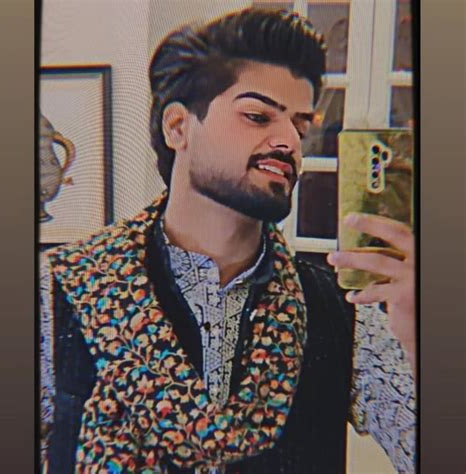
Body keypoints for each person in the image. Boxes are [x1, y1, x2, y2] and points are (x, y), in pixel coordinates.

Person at [40, 8, 416, 474]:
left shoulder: (343, 313)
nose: (289, 142)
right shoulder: (62, 292)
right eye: (258, 116)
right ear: (178, 127)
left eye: (301, 126)